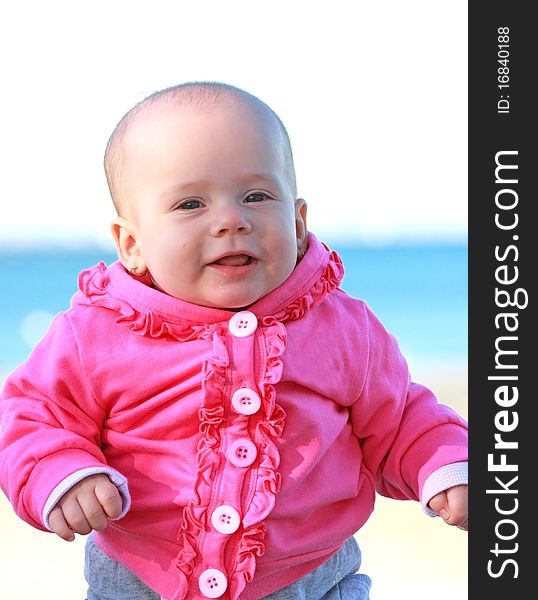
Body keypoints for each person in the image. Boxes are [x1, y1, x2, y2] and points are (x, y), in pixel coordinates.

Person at [0, 81, 468, 600]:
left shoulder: (343, 327)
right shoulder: (95, 333)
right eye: (190, 204)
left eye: (256, 196)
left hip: (310, 577)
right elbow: (33, 415)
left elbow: (400, 417)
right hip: (142, 578)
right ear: (132, 244)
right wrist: (61, 471)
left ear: (297, 219)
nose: (231, 220)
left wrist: (445, 466)